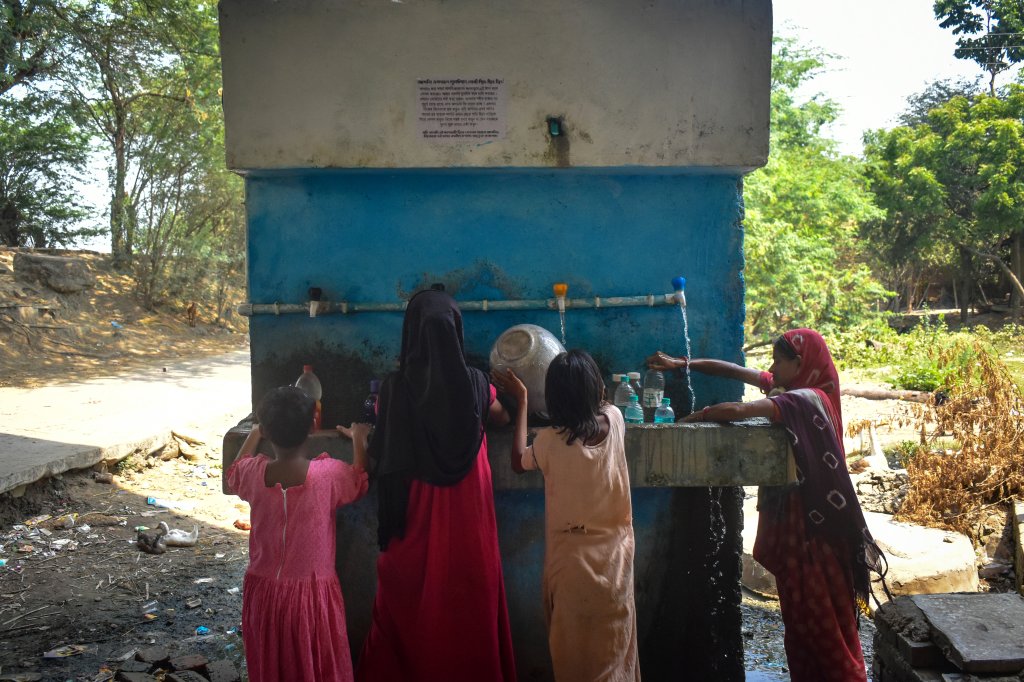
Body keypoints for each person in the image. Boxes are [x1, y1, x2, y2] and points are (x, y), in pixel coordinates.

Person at [648, 329, 887, 682]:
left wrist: (697, 417)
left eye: (778, 360)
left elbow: (740, 409)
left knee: (824, 622)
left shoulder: (804, 400)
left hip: (815, 531)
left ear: (799, 363)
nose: (772, 368)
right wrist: (683, 363)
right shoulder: (804, 390)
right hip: (808, 524)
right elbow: (732, 370)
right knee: (803, 618)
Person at [348, 287, 517, 682]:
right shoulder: (477, 384)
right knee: (468, 617)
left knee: (408, 613)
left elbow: (383, 438)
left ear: (411, 333)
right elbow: (501, 418)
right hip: (469, 529)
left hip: (415, 524)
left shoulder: (394, 388)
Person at [492, 349, 641, 682]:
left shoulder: (548, 442)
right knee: (615, 652)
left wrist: (524, 399)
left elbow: (518, 460)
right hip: (615, 561)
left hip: (570, 564)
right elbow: (599, 404)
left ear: (554, 398)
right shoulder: (615, 420)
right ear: (597, 390)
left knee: (573, 657)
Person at [227, 386, 369, 682]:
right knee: (313, 664)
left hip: (264, 593)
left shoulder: (254, 473)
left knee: (273, 664)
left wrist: (254, 433)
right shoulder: (328, 474)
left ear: (267, 429)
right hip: (311, 595)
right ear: (313, 426)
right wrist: (358, 438)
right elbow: (358, 479)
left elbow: (235, 470)